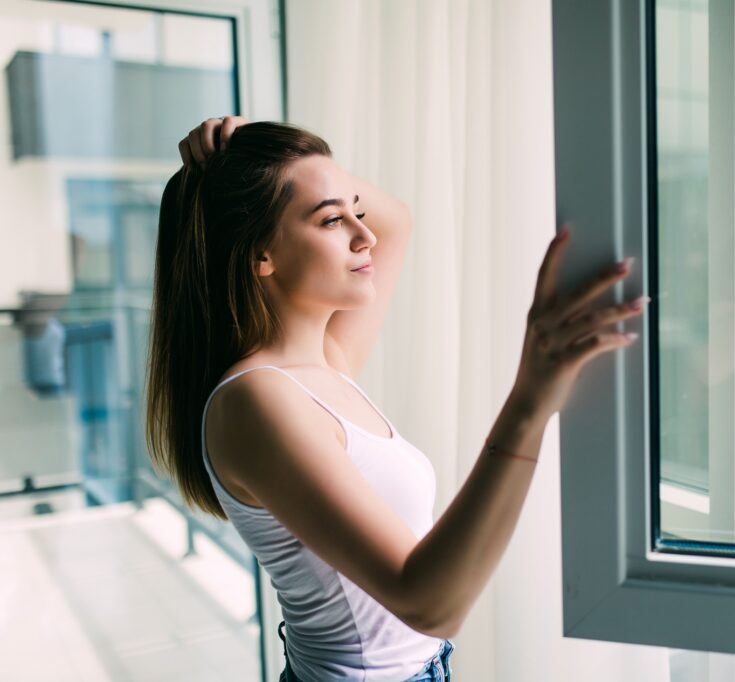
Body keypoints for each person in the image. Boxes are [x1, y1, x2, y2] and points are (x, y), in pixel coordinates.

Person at [144, 116, 648, 681]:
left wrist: (257, 144)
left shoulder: (322, 364)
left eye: (356, 210)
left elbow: (397, 221)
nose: (367, 236)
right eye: (333, 220)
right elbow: (428, 603)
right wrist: (530, 399)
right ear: (261, 253)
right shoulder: (257, 401)